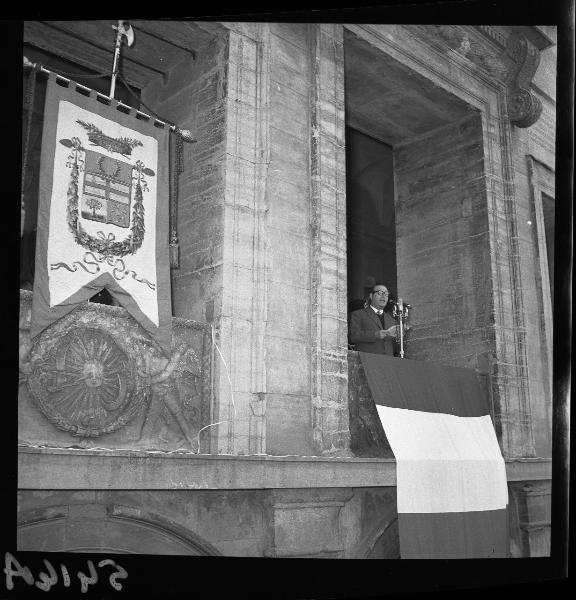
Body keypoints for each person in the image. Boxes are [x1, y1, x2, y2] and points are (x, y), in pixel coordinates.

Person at [349, 284, 398, 355]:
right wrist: (375, 335)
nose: (384, 296)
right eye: (380, 293)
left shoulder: (392, 320)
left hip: (388, 361)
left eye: (386, 294)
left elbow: (395, 346)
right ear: (371, 296)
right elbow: (353, 336)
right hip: (367, 359)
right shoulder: (358, 314)